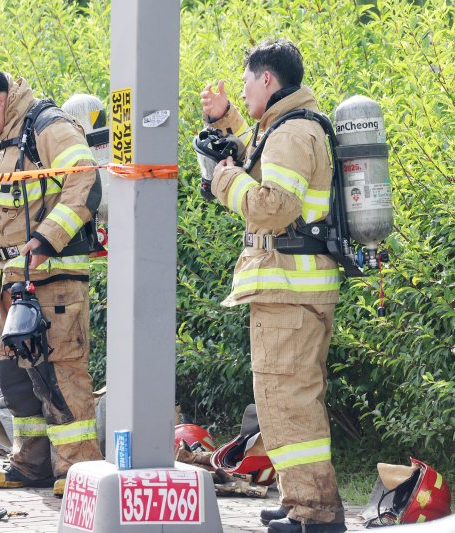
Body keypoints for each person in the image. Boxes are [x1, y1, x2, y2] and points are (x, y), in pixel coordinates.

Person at [198, 39, 346, 533]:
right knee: (285, 398)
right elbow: (259, 152)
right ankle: (299, 498)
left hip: (290, 290)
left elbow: (272, 206)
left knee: (289, 400)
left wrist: (225, 181)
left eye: (245, 82)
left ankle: (314, 514)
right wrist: (226, 122)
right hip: (295, 290)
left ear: (267, 80)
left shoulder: (290, 133)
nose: (242, 89)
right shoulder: (291, 127)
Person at [0, 64, 103, 497]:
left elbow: (84, 180)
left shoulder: (49, 127)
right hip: (11, 278)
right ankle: (32, 461)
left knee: (60, 374)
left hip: (53, 277)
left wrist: (48, 238)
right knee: (15, 376)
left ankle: (77, 469)